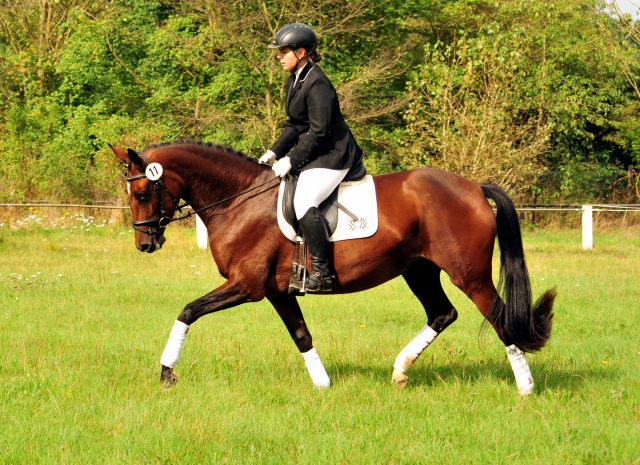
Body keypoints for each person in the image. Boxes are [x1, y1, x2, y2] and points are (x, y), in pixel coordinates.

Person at [260, 23, 364, 293]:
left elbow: (319, 132)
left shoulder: (317, 82)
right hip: (317, 152)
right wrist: (273, 152)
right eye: (278, 53)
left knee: (304, 201)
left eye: (283, 52)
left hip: (335, 154)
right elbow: (294, 124)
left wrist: (291, 160)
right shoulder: (295, 79)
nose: (278, 57)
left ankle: (321, 273)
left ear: (302, 51)